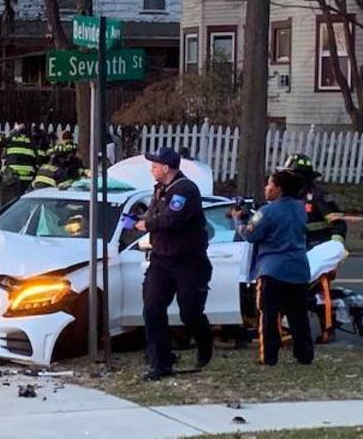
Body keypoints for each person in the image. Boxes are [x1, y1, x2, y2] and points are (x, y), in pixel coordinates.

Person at [134, 146, 213, 381]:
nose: (152, 170)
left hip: (188, 261)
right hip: (161, 259)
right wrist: (138, 220)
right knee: (152, 308)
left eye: (155, 166)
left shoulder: (185, 190)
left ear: (166, 168)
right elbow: (154, 215)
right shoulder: (160, 189)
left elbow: (171, 218)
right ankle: (161, 362)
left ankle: (204, 342)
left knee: (190, 312)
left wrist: (147, 225)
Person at [232, 170, 314, 367]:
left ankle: (268, 357)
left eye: (269, 184)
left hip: (273, 271)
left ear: (278, 188)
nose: (266, 188)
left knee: (268, 316)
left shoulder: (267, 212)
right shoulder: (300, 208)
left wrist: (238, 219)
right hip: (299, 269)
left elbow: (250, 235)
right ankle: (305, 355)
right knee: (298, 316)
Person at [283, 153, 346, 343]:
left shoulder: (318, 195)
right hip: (297, 250)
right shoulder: (290, 197)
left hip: (318, 250)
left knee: (317, 290)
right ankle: (288, 327)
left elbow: (338, 224)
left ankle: (328, 328)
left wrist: (333, 249)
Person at [0, 122, 37, 205]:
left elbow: (1, 141)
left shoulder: (11, 139)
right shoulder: (31, 142)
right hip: (27, 178)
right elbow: (36, 160)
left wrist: (13, 131)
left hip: (13, 177)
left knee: (12, 203)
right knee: (24, 203)